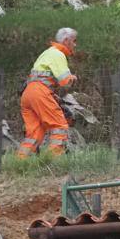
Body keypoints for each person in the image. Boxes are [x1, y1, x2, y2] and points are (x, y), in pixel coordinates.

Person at [18, 27, 78, 158]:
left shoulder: (47, 52)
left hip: (28, 94)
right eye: (74, 41)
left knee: (33, 134)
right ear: (66, 40)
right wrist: (73, 78)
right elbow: (64, 80)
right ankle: (53, 160)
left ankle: (21, 163)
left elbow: (42, 77)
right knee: (59, 125)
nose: (75, 44)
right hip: (40, 92)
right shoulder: (58, 54)